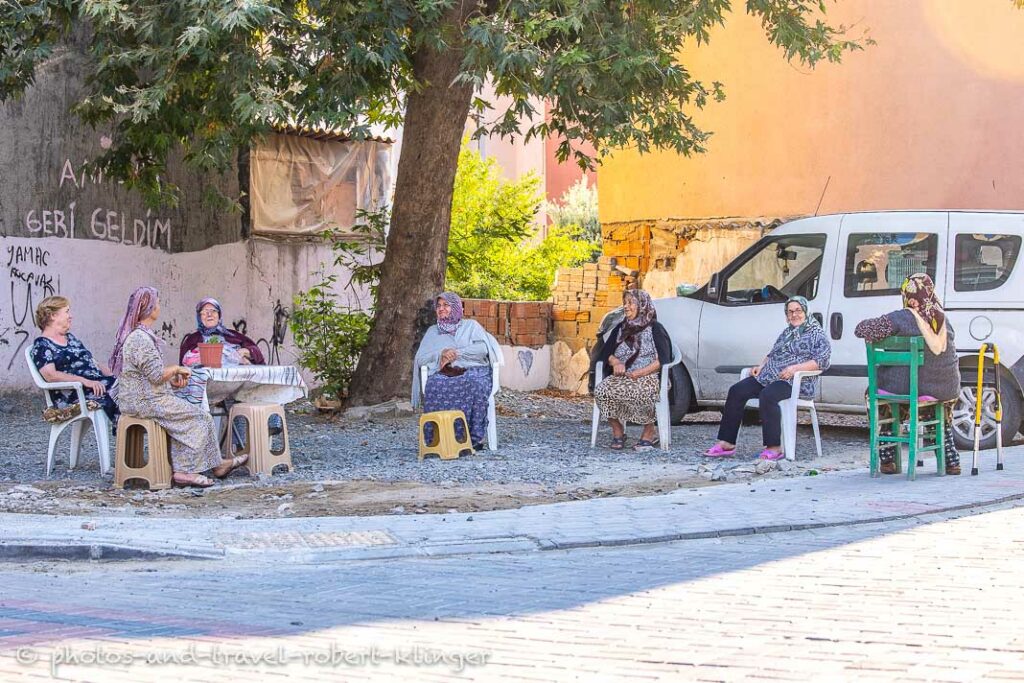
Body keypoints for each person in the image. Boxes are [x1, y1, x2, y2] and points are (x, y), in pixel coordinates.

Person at [110, 286, 248, 487]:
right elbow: (157, 375)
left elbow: (149, 373)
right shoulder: (140, 339)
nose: (159, 306)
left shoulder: (142, 335)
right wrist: (176, 369)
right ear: (148, 308)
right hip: (144, 401)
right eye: (156, 303)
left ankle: (217, 465)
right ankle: (185, 471)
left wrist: (172, 379)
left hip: (146, 397)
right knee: (200, 417)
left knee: (190, 412)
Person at [854, 273, 961, 475]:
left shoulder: (902, 317)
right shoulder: (943, 319)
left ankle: (888, 458)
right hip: (946, 390)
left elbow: (861, 329)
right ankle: (950, 460)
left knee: (880, 397)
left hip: (908, 391)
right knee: (931, 405)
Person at [707, 296, 832, 460]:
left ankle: (774, 447)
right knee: (737, 391)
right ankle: (727, 443)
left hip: (795, 381)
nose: (794, 315)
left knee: (768, 395)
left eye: (798, 311)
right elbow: (772, 354)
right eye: (790, 312)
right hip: (769, 376)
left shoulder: (817, 334)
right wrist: (761, 366)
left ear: (806, 311)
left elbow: (821, 361)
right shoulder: (787, 332)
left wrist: (795, 369)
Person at [412, 292, 503, 451]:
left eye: (446, 305)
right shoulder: (433, 332)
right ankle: (438, 440)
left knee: (473, 382)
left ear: (455, 308)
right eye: (439, 306)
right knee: (435, 384)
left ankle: (471, 439)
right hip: (446, 371)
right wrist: (440, 354)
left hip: (475, 369)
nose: (441, 309)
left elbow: (482, 349)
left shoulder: (471, 326)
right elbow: (420, 359)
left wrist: (457, 353)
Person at [592, 290, 672, 452]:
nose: (626, 307)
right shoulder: (621, 328)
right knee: (602, 391)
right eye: (625, 303)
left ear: (642, 305)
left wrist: (640, 373)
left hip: (648, 375)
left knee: (641, 392)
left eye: (631, 303)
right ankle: (618, 430)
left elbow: (663, 359)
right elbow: (605, 353)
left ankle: (650, 431)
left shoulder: (655, 328)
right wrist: (616, 362)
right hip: (623, 375)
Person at [30, 296, 119, 426]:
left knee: (130, 387)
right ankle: (128, 435)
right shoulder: (42, 345)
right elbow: (50, 375)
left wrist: (116, 376)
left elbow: (92, 363)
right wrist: (86, 381)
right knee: (124, 394)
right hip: (74, 394)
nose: (70, 316)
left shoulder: (71, 339)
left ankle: (134, 434)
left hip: (95, 385)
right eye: (66, 311)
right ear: (53, 315)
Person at [179, 298, 264, 366]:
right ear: (199, 317)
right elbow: (183, 366)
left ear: (219, 315)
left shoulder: (232, 335)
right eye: (205, 312)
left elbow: (256, 352)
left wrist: (244, 352)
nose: (209, 314)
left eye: (213, 311)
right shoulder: (192, 340)